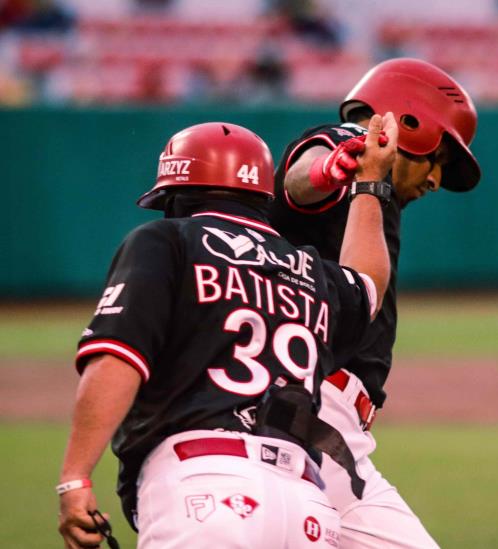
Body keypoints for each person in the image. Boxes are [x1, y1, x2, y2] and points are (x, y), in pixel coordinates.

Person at [57, 116, 397, 548]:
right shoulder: (310, 271)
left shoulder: (167, 241)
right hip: (308, 507)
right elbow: (368, 284)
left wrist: (74, 478)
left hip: (203, 487)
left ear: (177, 195)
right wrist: (370, 183)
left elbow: (118, 356)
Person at [268, 58, 482, 548]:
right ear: (412, 123)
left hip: (326, 426)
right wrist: (332, 167)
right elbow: (297, 182)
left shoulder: (375, 187)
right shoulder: (346, 144)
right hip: (307, 414)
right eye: (439, 161)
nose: (435, 181)